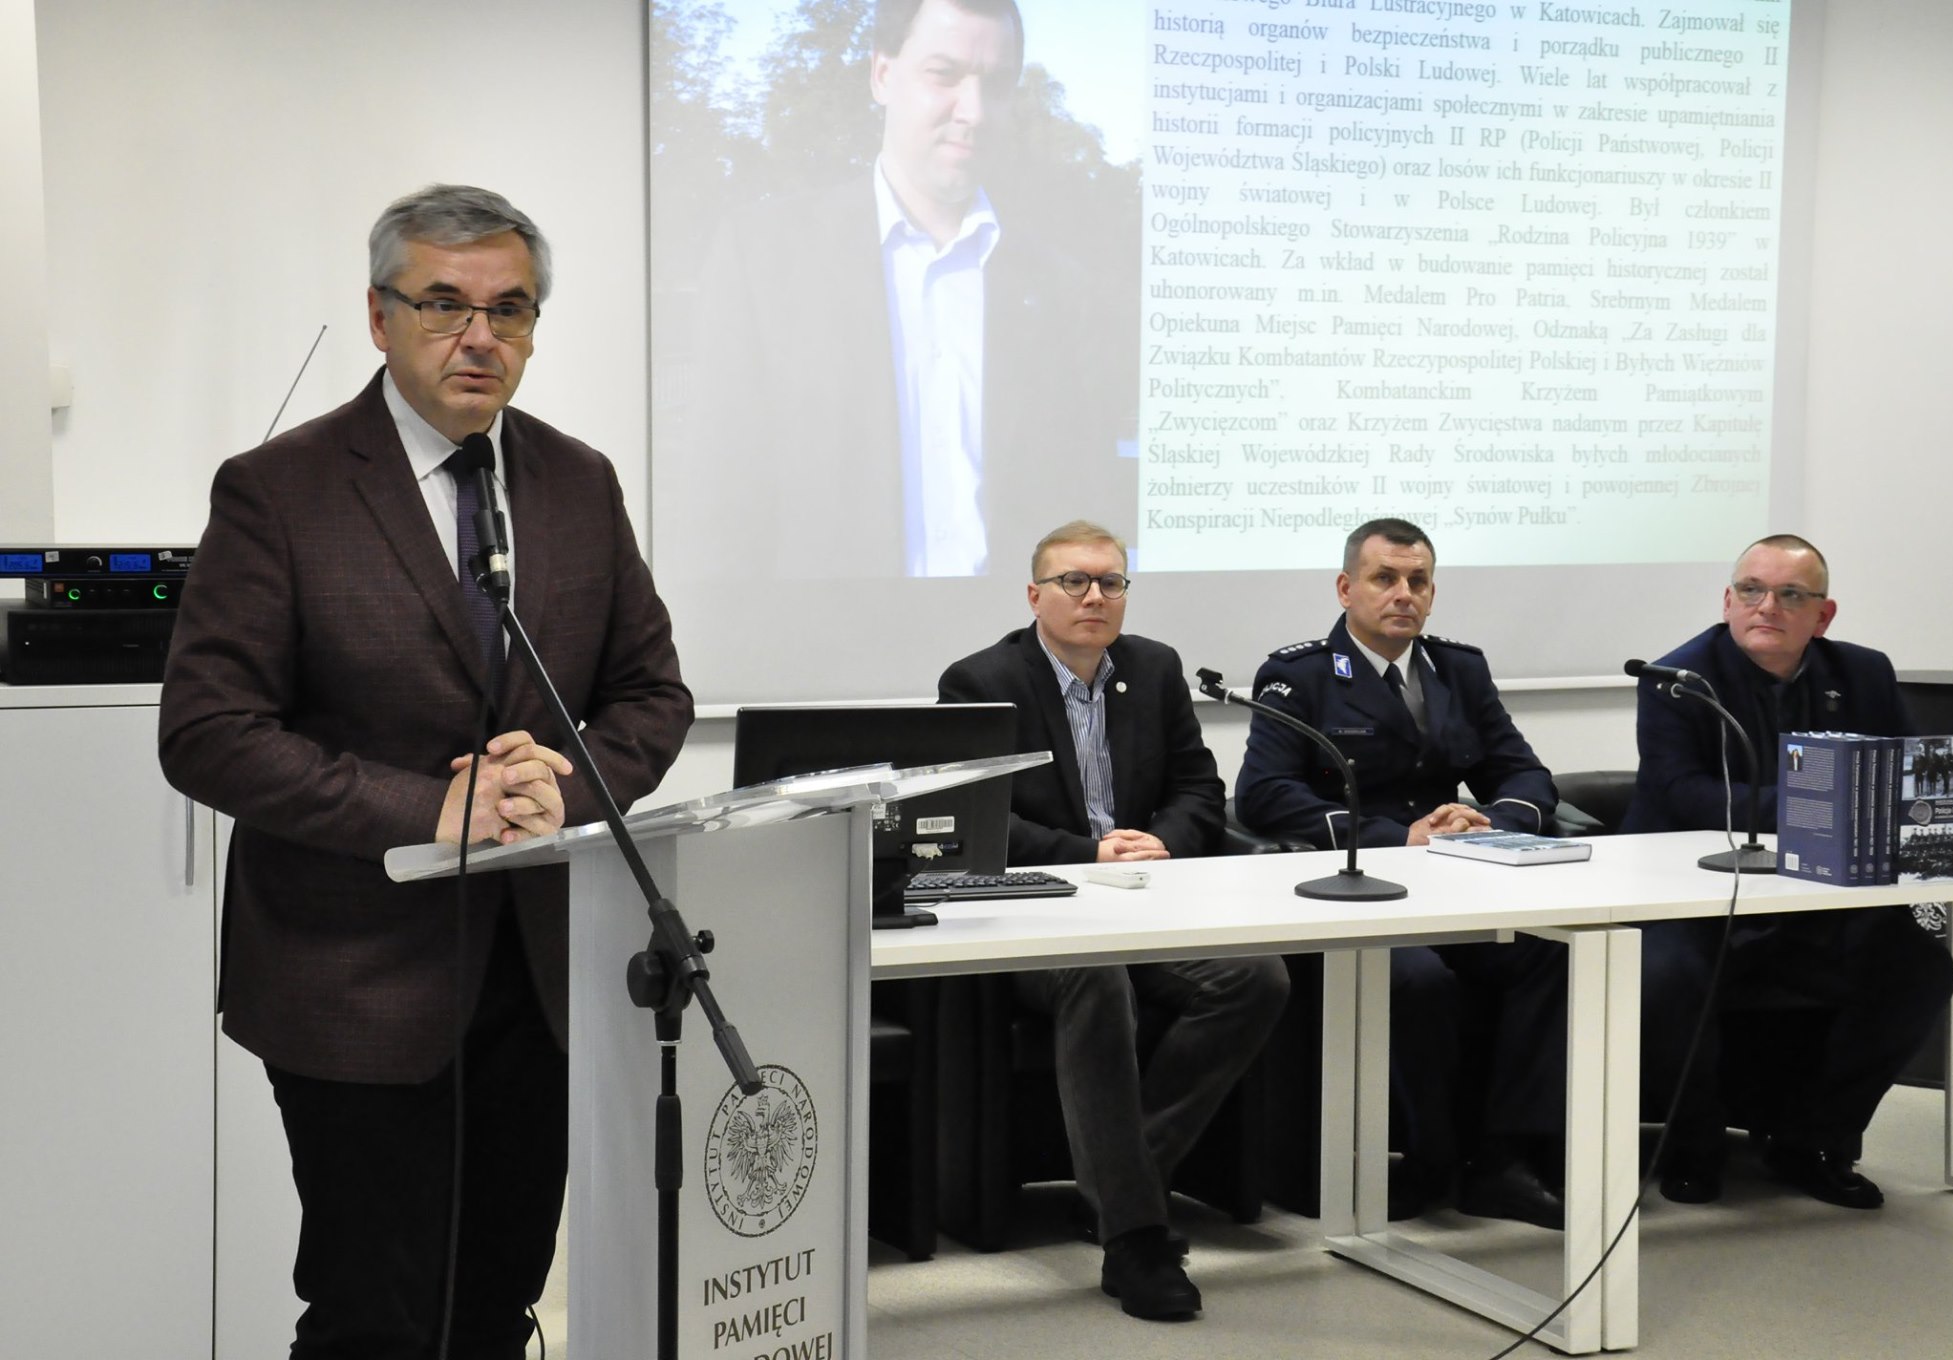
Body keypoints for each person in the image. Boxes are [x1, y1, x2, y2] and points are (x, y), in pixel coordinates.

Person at [159, 184, 693, 1357]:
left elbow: (653, 696)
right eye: (444, 304)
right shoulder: (279, 489)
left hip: (537, 978)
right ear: (379, 315)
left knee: (495, 1303)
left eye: (509, 309)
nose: (478, 335)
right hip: (355, 976)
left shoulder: (578, 480)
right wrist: (429, 805)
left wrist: (567, 780)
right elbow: (207, 729)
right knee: (374, 1316)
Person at [937, 520, 1287, 1320]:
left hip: (1143, 903)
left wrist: (1164, 840)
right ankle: (1136, 1239)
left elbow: (1200, 789)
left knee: (1255, 977)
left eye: (1111, 582)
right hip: (1036, 915)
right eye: (1074, 581)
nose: (1094, 596)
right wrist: (1087, 852)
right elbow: (976, 818)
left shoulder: (1154, 669)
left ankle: (1120, 1183)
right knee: (1096, 980)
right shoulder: (981, 679)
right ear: (1035, 596)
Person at [671, 0, 1127, 580]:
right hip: (825, 636)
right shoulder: (761, 260)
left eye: (995, 84)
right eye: (945, 74)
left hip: (1011, 637)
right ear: (882, 74)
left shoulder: (1063, 291)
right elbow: (719, 513)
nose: (973, 110)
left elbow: (1088, 515)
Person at [1234, 517, 1572, 1229]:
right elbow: (1264, 794)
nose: (1403, 594)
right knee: (1418, 981)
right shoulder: (1299, 675)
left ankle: (1505, 1159)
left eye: (1418, 581)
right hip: (1361, 891)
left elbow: (1523, 772)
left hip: (1453, 882)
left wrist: (1490, 820)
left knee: (1549, 953)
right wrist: (1397, 837)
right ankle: (1432, 1160)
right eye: (1385, 578)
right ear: (1346, 587)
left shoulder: (1459, 669)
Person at [1623, 533, 1953, 1208]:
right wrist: (1824, 803)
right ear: (1727, 601)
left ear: (1822, 616)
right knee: (1665, 976)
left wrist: (1857, 804)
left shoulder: (1863, 673)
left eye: (1790, 595)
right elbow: (1683, 794)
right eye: (1751, 590)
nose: (1767, 606)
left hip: (1815, 895)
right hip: (1690, 895)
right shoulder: (1678, 679)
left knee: (1917, 968)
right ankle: (1692, 1142)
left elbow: (1903, 777)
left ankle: (1813, 1140)